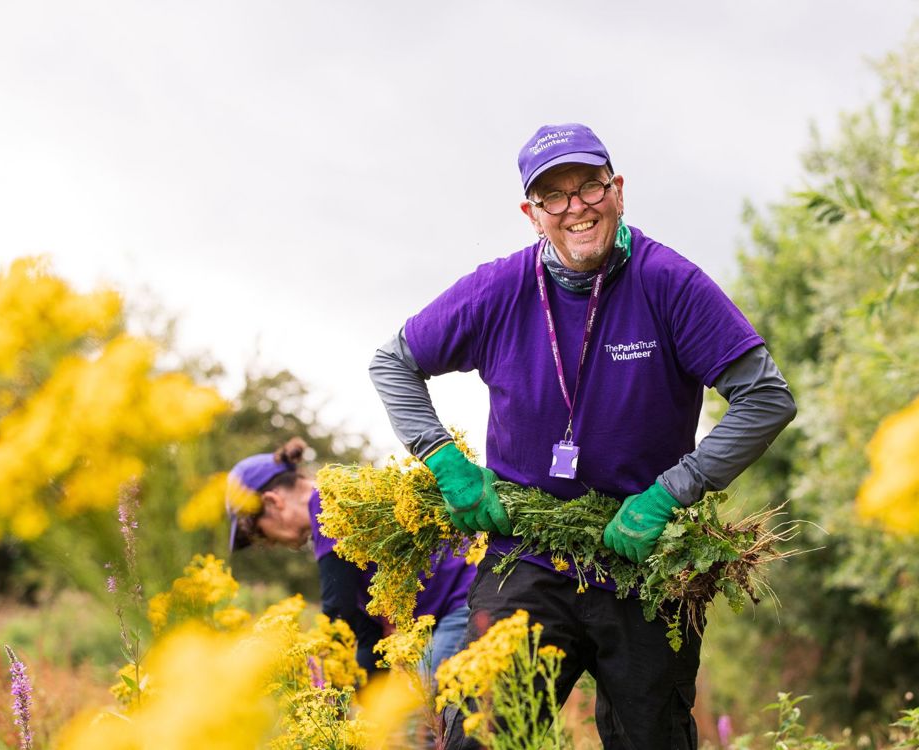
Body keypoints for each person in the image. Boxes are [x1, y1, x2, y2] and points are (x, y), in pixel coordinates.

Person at [369, 122, 797, 749]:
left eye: (590, 186)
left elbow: (766, 398)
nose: (576, 208)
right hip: (527, 558)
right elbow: (392, 362)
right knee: (481, 738)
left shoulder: (668, 283)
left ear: (617, 189)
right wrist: (445, 462)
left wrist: (670, 494)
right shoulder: (499, 290)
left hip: (645, 567)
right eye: (554, 197)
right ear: (531, 212)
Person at [225, 437, 476, 677]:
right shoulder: (329, 520)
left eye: (258, 532)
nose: (267, 544)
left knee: (429, 707)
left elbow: (338, 614)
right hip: (448, 610)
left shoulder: (330, 506)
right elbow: (366, 626)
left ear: (272, 502)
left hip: (461, 598)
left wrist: (325, 683)